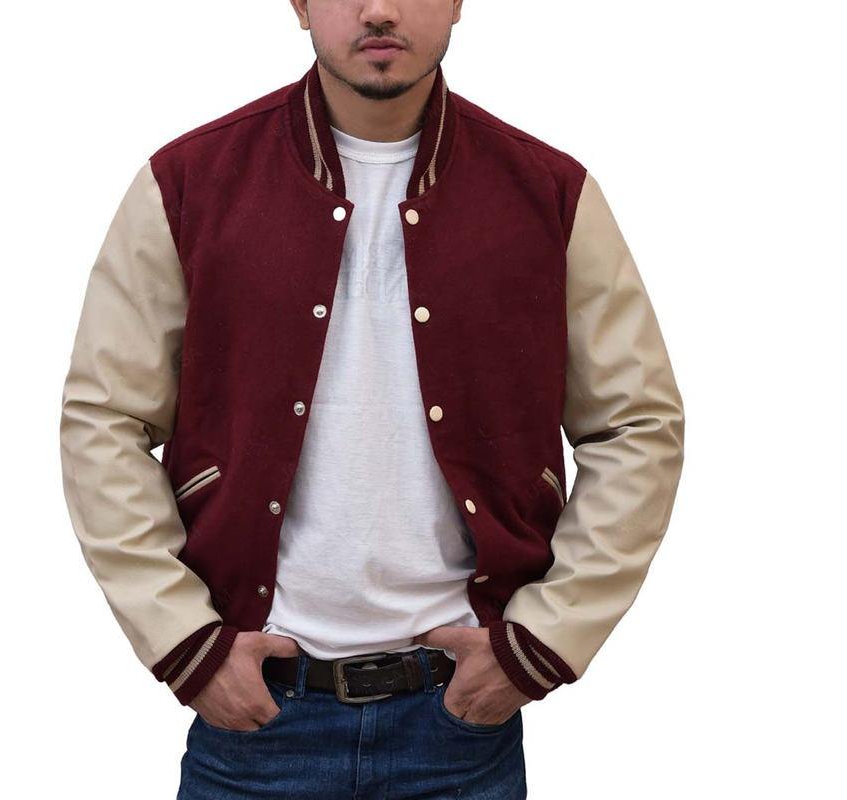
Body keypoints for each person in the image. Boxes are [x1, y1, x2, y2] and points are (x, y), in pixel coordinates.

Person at [59, 1, 685, 797]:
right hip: (256, 723)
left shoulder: (549, 192)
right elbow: (105, 418)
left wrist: (542, 643)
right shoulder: (188, 183)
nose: (380, 9)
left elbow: (637, 425)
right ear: (299, 4)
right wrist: (184, 642)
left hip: (460, 729)